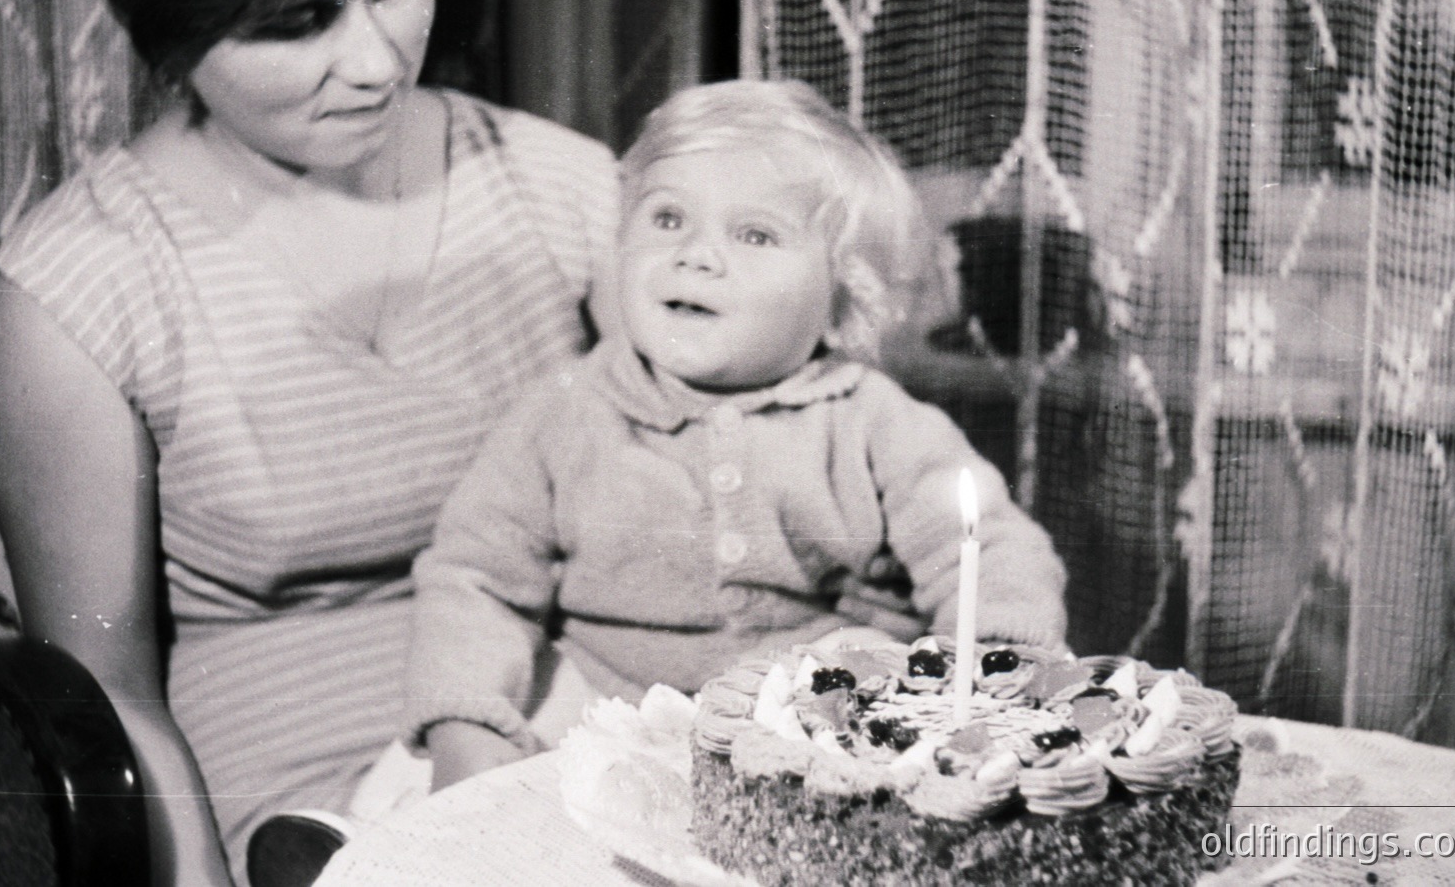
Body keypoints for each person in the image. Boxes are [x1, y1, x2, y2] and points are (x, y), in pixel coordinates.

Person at [0, 0, 617, 884]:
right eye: (299, 19)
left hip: (579, 751)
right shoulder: (78, 292)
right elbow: (105, 691)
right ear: (170, 22)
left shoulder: (561, 190)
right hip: (301, 827)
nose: (373, 62)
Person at [405, 79, 1068, 791]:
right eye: (666, 219)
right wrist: (464, 724)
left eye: (753, 234)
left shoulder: (875, 420)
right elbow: (475, 577)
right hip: (605, 695)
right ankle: (365, 843)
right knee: (487, 742)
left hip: (796, 703)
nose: (695, 254)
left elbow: (988, 549)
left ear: (844, 296)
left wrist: (994, 661)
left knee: (867, 666)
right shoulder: (564, 411)